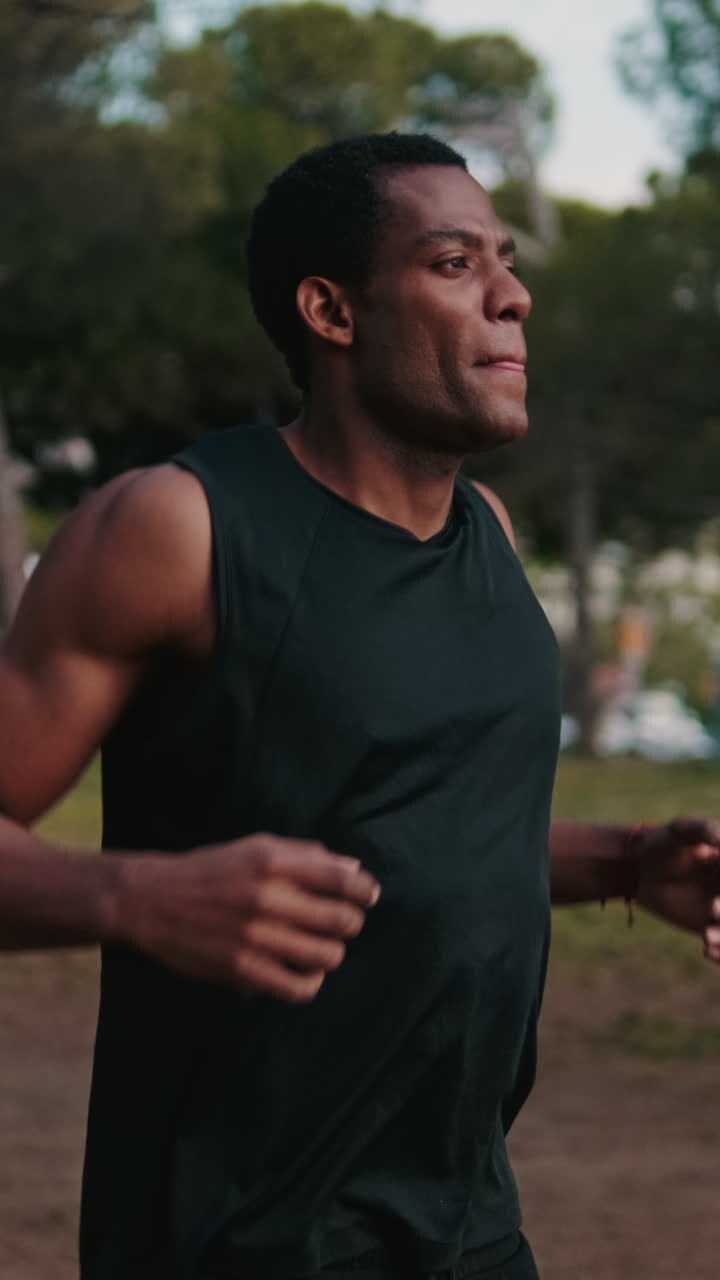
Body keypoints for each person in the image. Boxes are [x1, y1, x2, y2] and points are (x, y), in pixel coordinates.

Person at [0, 132, 718, 1280]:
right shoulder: (176, 530)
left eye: (508, 259)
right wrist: (136, 891)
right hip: (231, 1242)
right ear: (332, 312)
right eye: (452, 263)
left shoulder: (491, 536)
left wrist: (630, 860)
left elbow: (412, 836)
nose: (513, 294)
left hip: (468, 1227)